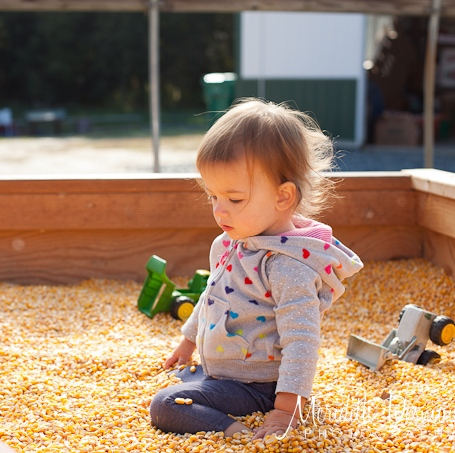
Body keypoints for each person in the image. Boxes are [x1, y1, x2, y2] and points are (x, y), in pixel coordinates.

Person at [149, 98, 363, 441]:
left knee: (165, 405)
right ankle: (216, 398)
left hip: (259, 386)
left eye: (234, 199)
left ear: (283, 197)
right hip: (224, 371)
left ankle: (235, 434)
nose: (220, 211)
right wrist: (187, 343)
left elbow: (302, 341)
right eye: (212, 196)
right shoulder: (230, 242)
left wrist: (286, 409)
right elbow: (211, 295)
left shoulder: (287, 266)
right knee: (179, 381)